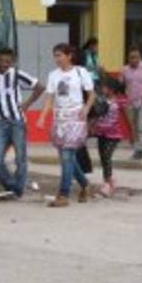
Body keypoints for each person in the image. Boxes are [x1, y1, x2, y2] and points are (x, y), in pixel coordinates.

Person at [37, 43, 96, 207]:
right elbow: (50, 98)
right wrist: (42, 117)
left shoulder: (81, 72)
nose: (56, 59)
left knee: (67, 156)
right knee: (66, 158)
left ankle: (63, 194)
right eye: (55, 55)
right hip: (59, 118)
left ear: (69, 56)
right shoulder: (53, 75)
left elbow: (92, 95)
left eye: (59, 55)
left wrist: (86, 108)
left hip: (76, 116)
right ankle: (84, 184)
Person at [0, 47, 43, 199]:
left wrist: (27, 104)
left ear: (12, 62)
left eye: (8, 61)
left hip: (17, 121)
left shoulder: (17, 74)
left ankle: (18, 190)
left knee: (20, 158)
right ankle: (12, 185)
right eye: (2, 61)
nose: (4, 64)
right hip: (0, 123)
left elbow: (39, 87)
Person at [91, 77, 127, 197]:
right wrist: (92, 128)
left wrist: (133, 134)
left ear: (111, 90)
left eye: (105, 87)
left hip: (114, 135)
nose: (102, 89)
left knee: (107, 156)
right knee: (103, 158)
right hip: (101, 133)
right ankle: (110, 180)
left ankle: (107, 184)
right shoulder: (101, 101)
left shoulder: (119, 102)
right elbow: (96, 115)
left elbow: (128, 117)